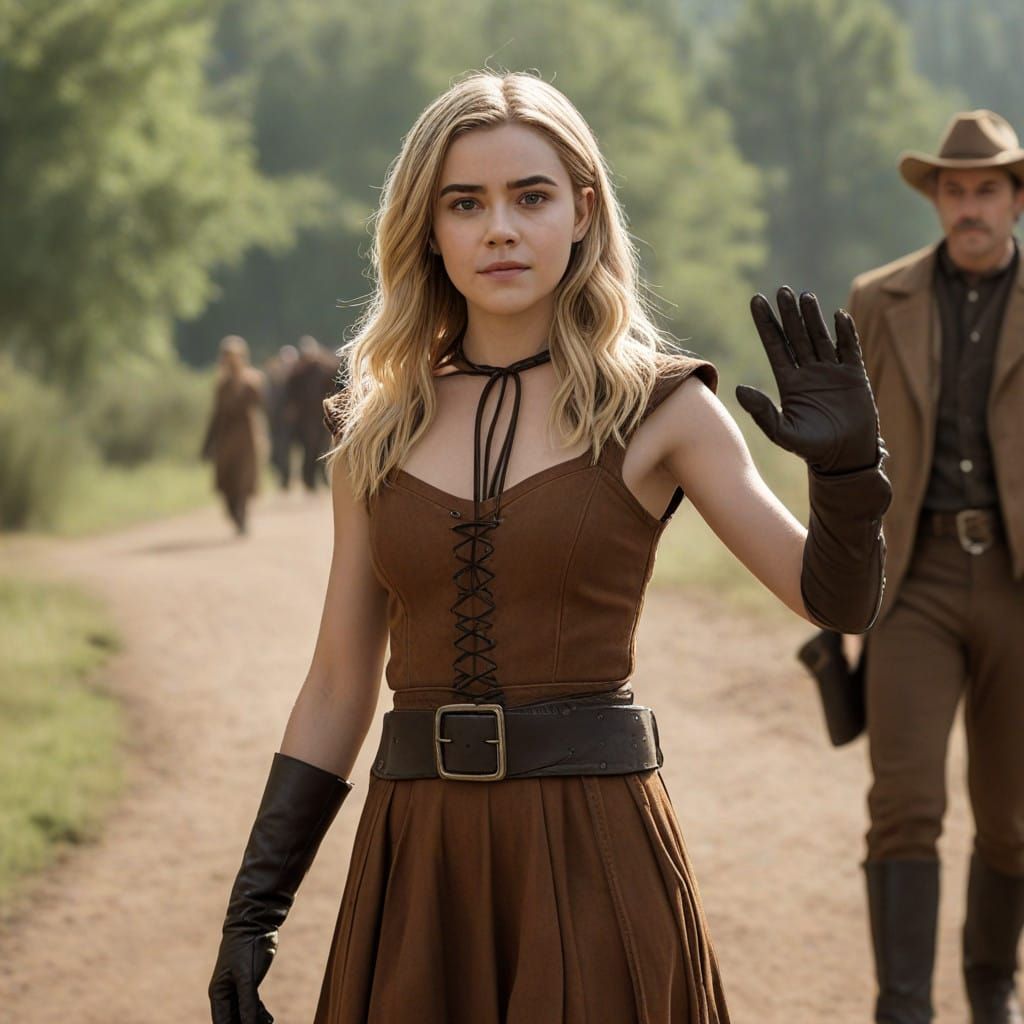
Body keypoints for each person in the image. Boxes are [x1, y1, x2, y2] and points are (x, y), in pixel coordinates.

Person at [207, 72, 891, 1024]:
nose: (499, 229)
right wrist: (256, 906)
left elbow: (834, 600)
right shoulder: (372, 427)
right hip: (418, 863)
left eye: (530, 197)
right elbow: (335, 683)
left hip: (593, 850)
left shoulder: (662, 408)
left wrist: (849, 477)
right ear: (428, 228)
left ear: (583, 211)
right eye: (465, 204)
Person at [844, 110, 1024, 1024]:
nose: (969, 206)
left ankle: (992, 986)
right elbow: (846, 450)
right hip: (913, 576)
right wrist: (839, 570)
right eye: (955, 190)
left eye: (987, 189)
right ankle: (903, 1009)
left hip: (1020, 584)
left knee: (1013, 819)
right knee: (904, 802)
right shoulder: (879, 300)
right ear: (937, 200)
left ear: (1016, 200)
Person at [200, 335, 266, 535]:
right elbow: (216, 415)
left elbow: (259, 405)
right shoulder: (221, 385)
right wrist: (207, 444)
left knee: (243, 481)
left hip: (246, 439)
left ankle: (242, 516)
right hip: (225, 439)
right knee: (226, 482)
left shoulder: (251, 381)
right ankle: (234, 513)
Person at [285, 335, 341, 492]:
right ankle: (308, 480)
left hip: (322, 415)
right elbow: (291, 391)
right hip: (305, 417)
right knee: (308, 448)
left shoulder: (324, 369)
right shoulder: (299, 372)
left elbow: (335, 382)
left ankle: (322, 478)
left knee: (323, 447)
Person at [265, 343, 299, 490]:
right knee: (277, 452)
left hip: (293, 422)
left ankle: (288, 478)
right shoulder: (275, 377)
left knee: (287, 450)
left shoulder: (298, 378)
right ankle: (284, 477)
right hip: (276, 421)